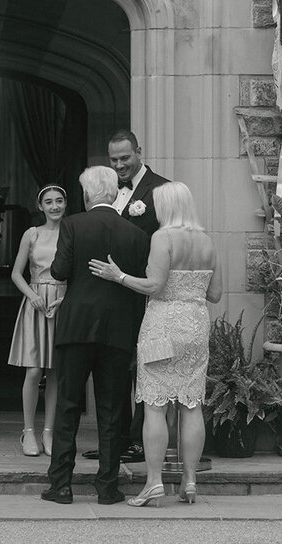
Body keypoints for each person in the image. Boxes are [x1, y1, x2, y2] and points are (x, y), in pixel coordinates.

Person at [89, 181, 220, 506]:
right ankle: (190, 481)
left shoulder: (163, 238)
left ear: (168, 207)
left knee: (154, 404)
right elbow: (215, 294)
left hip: (162, 326)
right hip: (196, 325)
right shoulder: (207, 240)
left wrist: (118, 276)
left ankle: (153, 482)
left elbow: (155, 286)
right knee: (192, 403)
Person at [41, 166, 149, 506]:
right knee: (112, 409)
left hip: (76, 325)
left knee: (68, 405)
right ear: (115, 194)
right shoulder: (136, 234)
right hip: (118, 328)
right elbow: (140, 287)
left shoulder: (73, 225)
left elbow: (59, 271)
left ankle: (61, 485)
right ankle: (107, 487)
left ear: (87, 195)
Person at [92, 128, 171, 465]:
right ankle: (116, 441)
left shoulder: (162, 189)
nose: (119, 165)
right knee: (113, 367)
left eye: (125, 158)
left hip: (143, 291)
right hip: (110, 293)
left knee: (142, 367)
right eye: (114, 159)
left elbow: (169, 239)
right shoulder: (107, 190)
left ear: (139, 151)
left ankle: (140, 441)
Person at [6, 184, 68, 457]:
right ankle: (28, 430)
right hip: (36, 302)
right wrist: (32, 296)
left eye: (59, 201)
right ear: (40, 206)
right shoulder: (31, 234)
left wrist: (65, 299)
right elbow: (16, 273)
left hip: (61, 303)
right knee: (34, 370)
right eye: (49, 202)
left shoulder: (71, 232)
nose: (55, 206)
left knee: (55, 371)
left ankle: (49, 431)